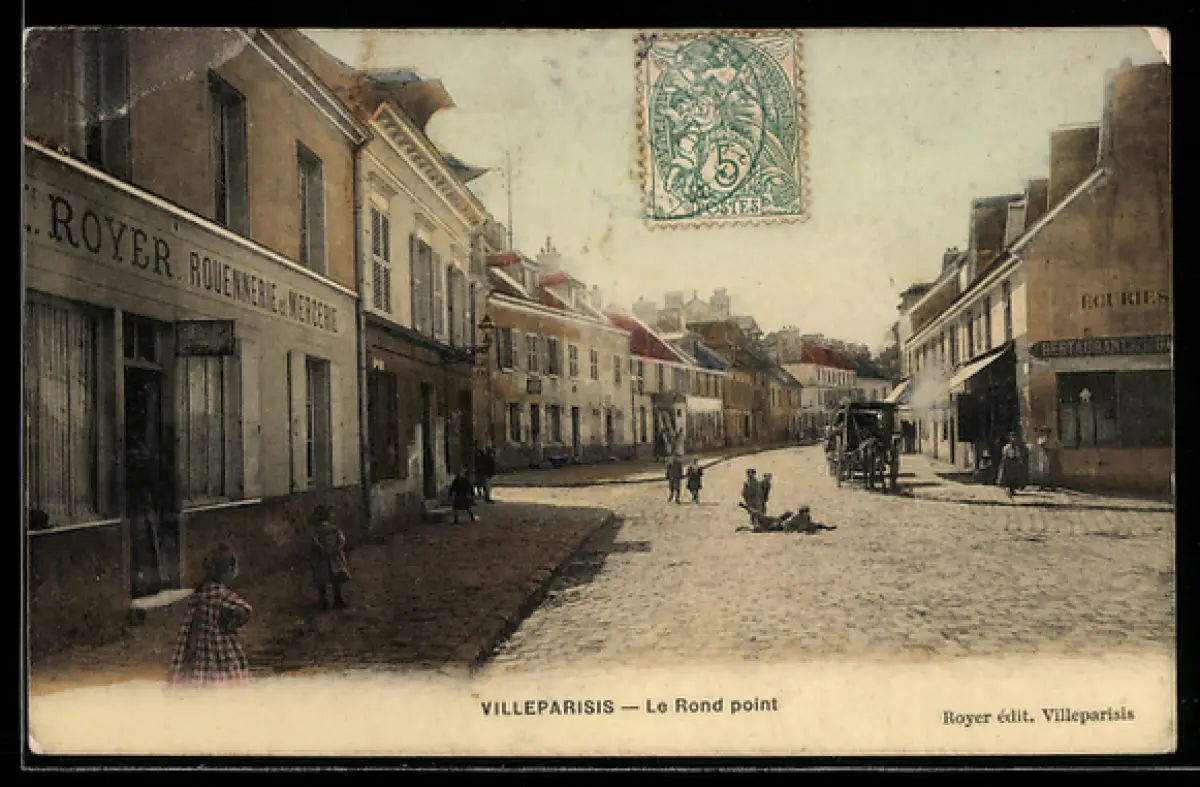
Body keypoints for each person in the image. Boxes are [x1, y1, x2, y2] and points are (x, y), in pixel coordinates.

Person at [169, 544, 252, 687]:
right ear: (227, 572)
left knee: (200, 677)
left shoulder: (199, 593)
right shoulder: (221, 594)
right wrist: (229, 626)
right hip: (220, 646)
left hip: (198, 647)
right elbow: (245, 610)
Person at [310, 505, 350, 610]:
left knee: (328, 579)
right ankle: (331, 600)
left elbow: (315, 543)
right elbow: (341, 540)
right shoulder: (333, 530)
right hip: (328, 557)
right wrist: (335, 549)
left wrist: (325, 549)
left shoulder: (330, 530)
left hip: (326, 557)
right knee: (329, 579)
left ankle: (330, 600)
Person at [996, 432, 1025, 498]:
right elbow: (1004, 455)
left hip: (1014, 463)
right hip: (1008, 463)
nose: (1013, 439)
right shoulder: (1007, 447)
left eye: (1014, 437)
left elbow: (1018, 455)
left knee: (1014, 477)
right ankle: (1008, 489)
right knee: (1007, 477)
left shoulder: (1016, 448)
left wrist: (1019, 461)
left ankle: (1012, 489)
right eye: (1012, 438)